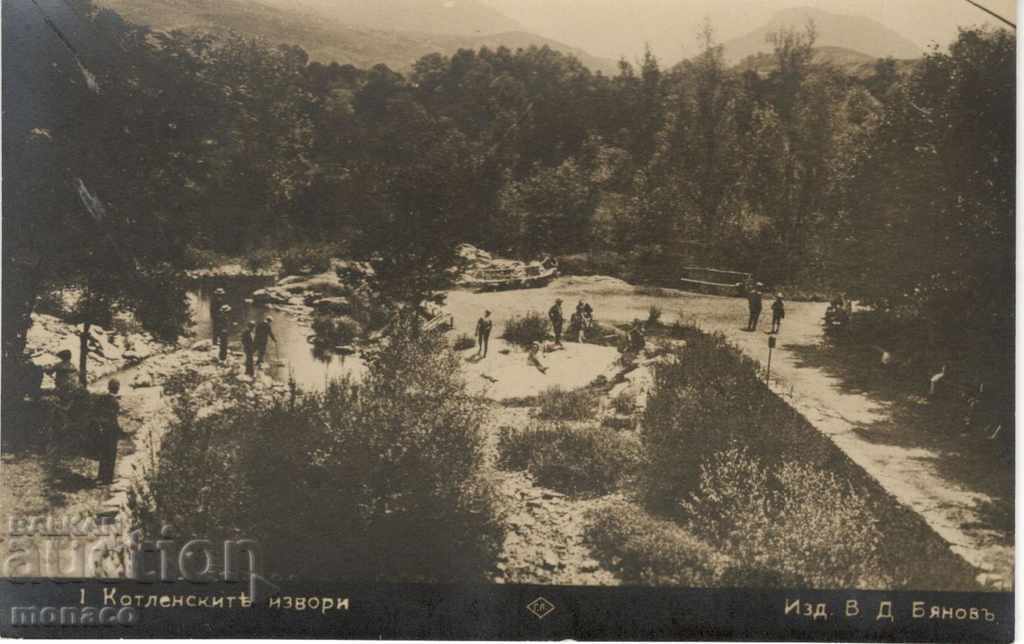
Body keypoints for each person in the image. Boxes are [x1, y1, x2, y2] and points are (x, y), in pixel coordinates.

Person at [92, 379, 122, 484]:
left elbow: (95, 412)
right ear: (117, 389)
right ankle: (108, 478)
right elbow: (114, 418)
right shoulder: (115, 402)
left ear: (108, 387)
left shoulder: (102, 398)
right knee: (111, 454)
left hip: (102, 429)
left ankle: (100, 476)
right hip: (111, 430)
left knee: (104, 453)